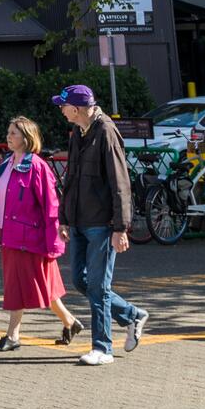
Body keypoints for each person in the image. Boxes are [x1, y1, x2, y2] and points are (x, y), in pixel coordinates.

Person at [57, 83, 147, 365]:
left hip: (101, 223)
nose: (60, 110)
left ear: (77, 108)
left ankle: (102, 348)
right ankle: (132, 315)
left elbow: (120, 182)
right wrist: (64, 218)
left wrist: (120, 227)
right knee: (81, 281)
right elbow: (70, 176)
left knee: (97, 286)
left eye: (63, 105)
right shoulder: (78, 131)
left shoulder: (106, 131)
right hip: (81, 220)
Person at [0, 115, 80, 349]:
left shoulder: (36, 166)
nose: (8, 136)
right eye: (9, 132)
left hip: (28, 238)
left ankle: (13, 336)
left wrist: (54, 242)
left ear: (27, 138)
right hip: (8, 235)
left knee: (18, 286)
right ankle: (70, 321)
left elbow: (51, 205)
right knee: (41, 285)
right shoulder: (6, 163)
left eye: (14, 133)